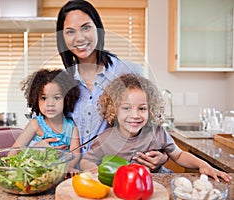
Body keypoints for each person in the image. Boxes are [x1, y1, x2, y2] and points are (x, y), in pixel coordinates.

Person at [37, 0, 167, 171]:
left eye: (86, 28)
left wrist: (162, 156)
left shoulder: (128, 71)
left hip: (119, 174)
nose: (79, 38)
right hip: (75, 174)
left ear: (98, 29)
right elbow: (47, 123)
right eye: (70, 32)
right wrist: (38, 146)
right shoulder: (61, 82)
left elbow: (150, 128)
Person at [80, 73, 232, 182]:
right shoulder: (105, 138)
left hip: (158, 184)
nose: (135, 115)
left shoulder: (157, 132)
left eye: (142, 108)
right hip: (122, 188)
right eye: (126, 108)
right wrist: (94, 170)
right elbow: (86, 161)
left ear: (150, 109)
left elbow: (178, 155)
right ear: (114, 109)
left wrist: (202, 164)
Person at [10, 68, 81, 175]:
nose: (50, 104)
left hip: (59, 175)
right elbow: (12, 153)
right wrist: (36, 150)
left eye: (56, 98)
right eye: (44, 98)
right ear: (35, 99)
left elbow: (75, 153)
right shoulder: (36, 124)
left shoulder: (71, 126)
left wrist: (69, 167)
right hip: (36, 175)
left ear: (66, 98)